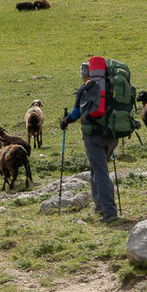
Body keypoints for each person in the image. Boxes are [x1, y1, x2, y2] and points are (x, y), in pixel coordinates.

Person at [61, 55, 118, 223]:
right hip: (112, 135)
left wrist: (65, 121)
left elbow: (76, 113)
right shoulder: (110, 85)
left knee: (100, 172)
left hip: (94, 135)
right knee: (97, 169)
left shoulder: (86, 88)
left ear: (84, 74)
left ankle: (109, 212)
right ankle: (99, 206)